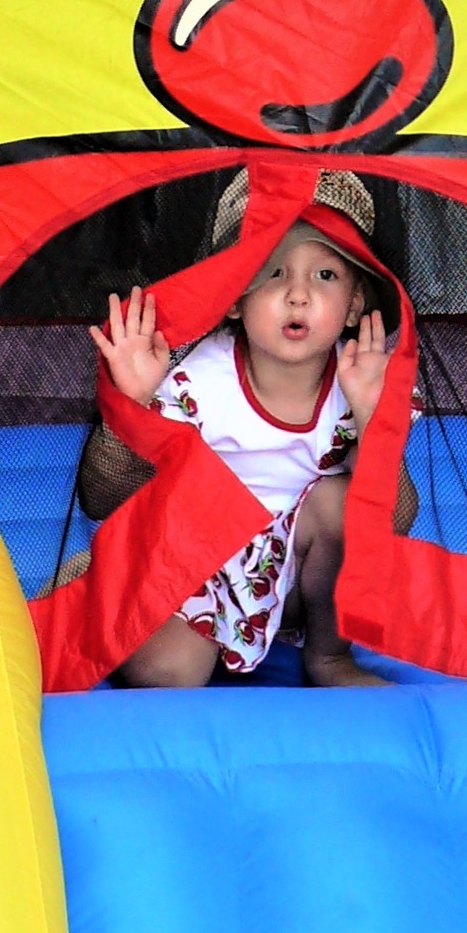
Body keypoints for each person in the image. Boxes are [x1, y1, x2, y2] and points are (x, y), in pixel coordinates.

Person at [70, 169, 416, 687]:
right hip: (191, 571)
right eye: (273, 273)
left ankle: (329, 657)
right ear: (232, 296)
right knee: (169, 674)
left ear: (355, 305)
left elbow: (393, 523)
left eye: (325, 275)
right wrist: (133, 402)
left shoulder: (362, 382)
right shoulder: (199, 383)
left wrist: (374, 422)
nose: (298, 295)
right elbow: (103, 499)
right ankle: (95, 588)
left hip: (296, 581)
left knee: (339, 502)